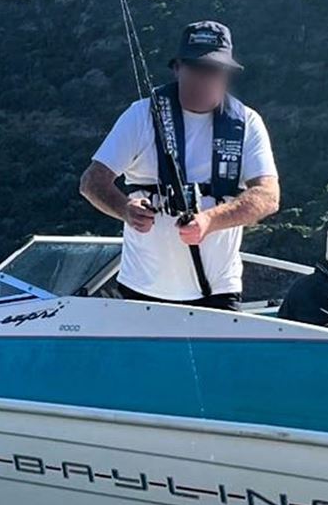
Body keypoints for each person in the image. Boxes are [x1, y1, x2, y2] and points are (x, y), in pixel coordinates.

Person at [79, 20, 280, 311]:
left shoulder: (247, 122)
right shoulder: (140, 116)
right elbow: (92, 182)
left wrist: (210, 221)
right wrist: (125, 209)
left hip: (218, 290)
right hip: (142, 288)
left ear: (227, 73)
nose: (204, 78)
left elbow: (268, 196)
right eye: (196, 67)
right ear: (177, 68)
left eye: (214, 69)